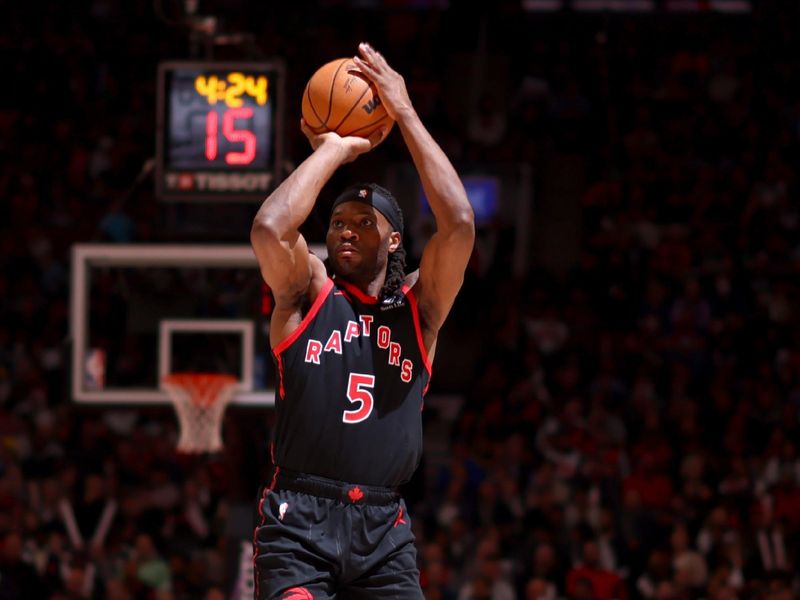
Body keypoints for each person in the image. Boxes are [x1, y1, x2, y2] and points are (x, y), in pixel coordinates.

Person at [250, 42, 475, 599]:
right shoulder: (307, 294)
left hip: (384, 528)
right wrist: (334, 149)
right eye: (338, 222)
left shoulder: (418, 312)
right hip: (298, 518)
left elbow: (461, 224)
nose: (345, 230)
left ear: (395, 239)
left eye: (362, 222)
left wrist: (405, 113)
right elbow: (269, 229)